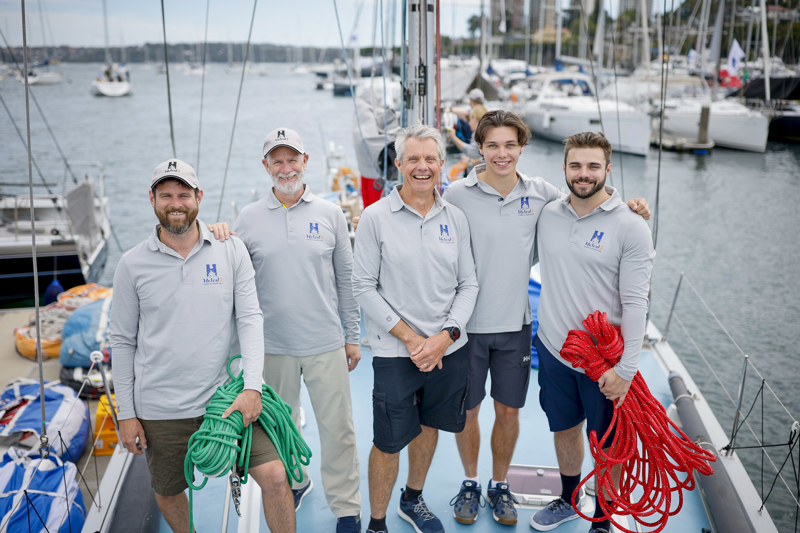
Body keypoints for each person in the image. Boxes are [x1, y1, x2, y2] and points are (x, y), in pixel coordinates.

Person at [442, 111, 650, 527]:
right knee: (488, 416)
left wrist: (631, 207)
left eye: (510, 145)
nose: (502, 154)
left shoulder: (543, 196)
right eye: (493, 145)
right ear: (480, 148)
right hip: (484, 332)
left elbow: (593, 204)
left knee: (527, 417)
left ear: (522, 148)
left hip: (530, 331)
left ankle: (588, 514)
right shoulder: (460, 195)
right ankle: (479, 483)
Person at [110, 158, 295, 533]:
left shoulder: (230, 250)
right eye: (166, 195)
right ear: (152, 199)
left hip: (226, 398)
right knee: (168, 490)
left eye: (183, 194)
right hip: (161, 407)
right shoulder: (131, 265)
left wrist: (252, 387)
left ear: (199, 197)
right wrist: (126, 414)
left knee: (276, 476)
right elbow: (122, 341)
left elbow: (250, 319)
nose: (175, 203)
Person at [213, 127, 363, 533]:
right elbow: (233, 280)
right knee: (284, 427)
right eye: (276, 160)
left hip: (325, 343)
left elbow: (346, 283)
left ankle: (347, 508)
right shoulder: (247, 218)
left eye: (291, 158)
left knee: (339, 431)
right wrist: (218, 236)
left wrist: (352, 336)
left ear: (305, 162)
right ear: (266, 166)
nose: (285, 167)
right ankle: (297, 482)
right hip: (272, 346)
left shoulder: (331, 215)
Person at [352, 124, 479, 533]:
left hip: (446, 350)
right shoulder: (375, 218)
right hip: (395, 352)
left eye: (430, 159)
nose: (422, 167)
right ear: (399, 164)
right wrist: (412, 340)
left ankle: (412, 498)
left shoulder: (456, 218)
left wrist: (445, 338)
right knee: (388, 442)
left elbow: (468, 284)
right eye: (413, 159)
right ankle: (376, 523)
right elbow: (363, 287)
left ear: (442, 165)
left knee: (428, 426)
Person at [530, 132, 655, 533]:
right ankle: (568, 498)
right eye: (576, 166)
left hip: (605, 361)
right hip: (553, 349)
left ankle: (601, 519)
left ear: (608, 169)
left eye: (593, 166)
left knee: (608, 444)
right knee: (565, 428)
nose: (584, 174)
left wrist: (627, 371)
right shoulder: (548, 213)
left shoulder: (631, 226)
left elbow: (636, 304)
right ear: (564, 168)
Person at [446, 104, 488, 178]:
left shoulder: (479, 135)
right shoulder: (482, 134)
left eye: (470, 119)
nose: (469, 123)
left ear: (475, 118)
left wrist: (453, 137)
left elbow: (471, 151)